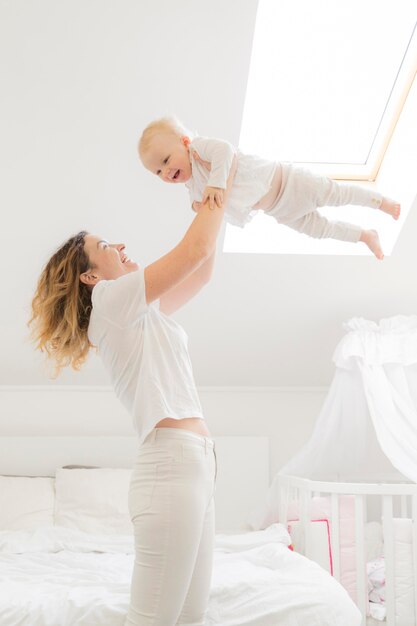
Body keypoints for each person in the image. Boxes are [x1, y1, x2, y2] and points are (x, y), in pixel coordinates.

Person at [28, 174, 235, 625]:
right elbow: (193, 252)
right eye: (105, 246)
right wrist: (220, 182)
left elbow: (204, 271)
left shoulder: (141, 312)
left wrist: (206, 206)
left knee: (190, 617)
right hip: (171, 466)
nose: (120, 245)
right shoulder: (108, 301)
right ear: (89, 276)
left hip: (198, 463)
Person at [138, 116, 401, 260]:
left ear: (184, 142)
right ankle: (365, 235)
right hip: (279, 209)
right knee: (319, 230)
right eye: (158, 172)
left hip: (289, 181)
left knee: (336, 194)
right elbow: (199, 204)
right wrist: (197, 205)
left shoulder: (198, 150)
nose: (165, 173)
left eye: (165, 161)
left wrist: (217, 183)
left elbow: (225, 151)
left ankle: (381, 202)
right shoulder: (192, 184)